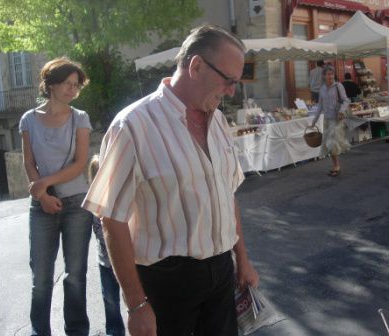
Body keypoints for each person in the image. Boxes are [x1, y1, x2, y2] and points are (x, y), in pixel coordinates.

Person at [82, 24, 259, 336]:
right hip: (165, 283)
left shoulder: (217, 119)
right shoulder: (132, 125)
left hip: (221, 272)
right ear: (196, 66)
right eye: (228, 80)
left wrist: (241, 258)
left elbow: (227, 194)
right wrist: (136, 305)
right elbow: (111, 218)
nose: (233, 90)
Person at [19, 57, 92, 335]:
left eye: (76, 85)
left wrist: (43, 183)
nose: (72, 90)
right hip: (41, 206)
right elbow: (29, 163)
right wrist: (42, 196)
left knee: (75, 275)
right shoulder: (29, 120)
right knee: (41, 277)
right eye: (67, 84)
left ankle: (76, 330)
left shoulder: (80, 118)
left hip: (76, 205)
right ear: (50, 84)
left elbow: (80, 162)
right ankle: (41, 331)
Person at [88, 154, 125, 336]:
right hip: (105, 263)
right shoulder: (92, 206)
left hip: (127, 261)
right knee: (110, 301)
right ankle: (114, 331)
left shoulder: (122, 199)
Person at [311, 64, 351, 177]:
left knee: (332, 143)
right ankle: (335, 165)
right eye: (328, 74)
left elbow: (346, 100)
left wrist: (342, 111)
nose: (331, 76)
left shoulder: (338, 86)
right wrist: (314, 120)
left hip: (337, 119)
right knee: (329, 144)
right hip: (327, 120)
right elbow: (320, 106)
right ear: (324, 76)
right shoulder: (322, 89)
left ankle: (337, 167)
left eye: (332, 74)